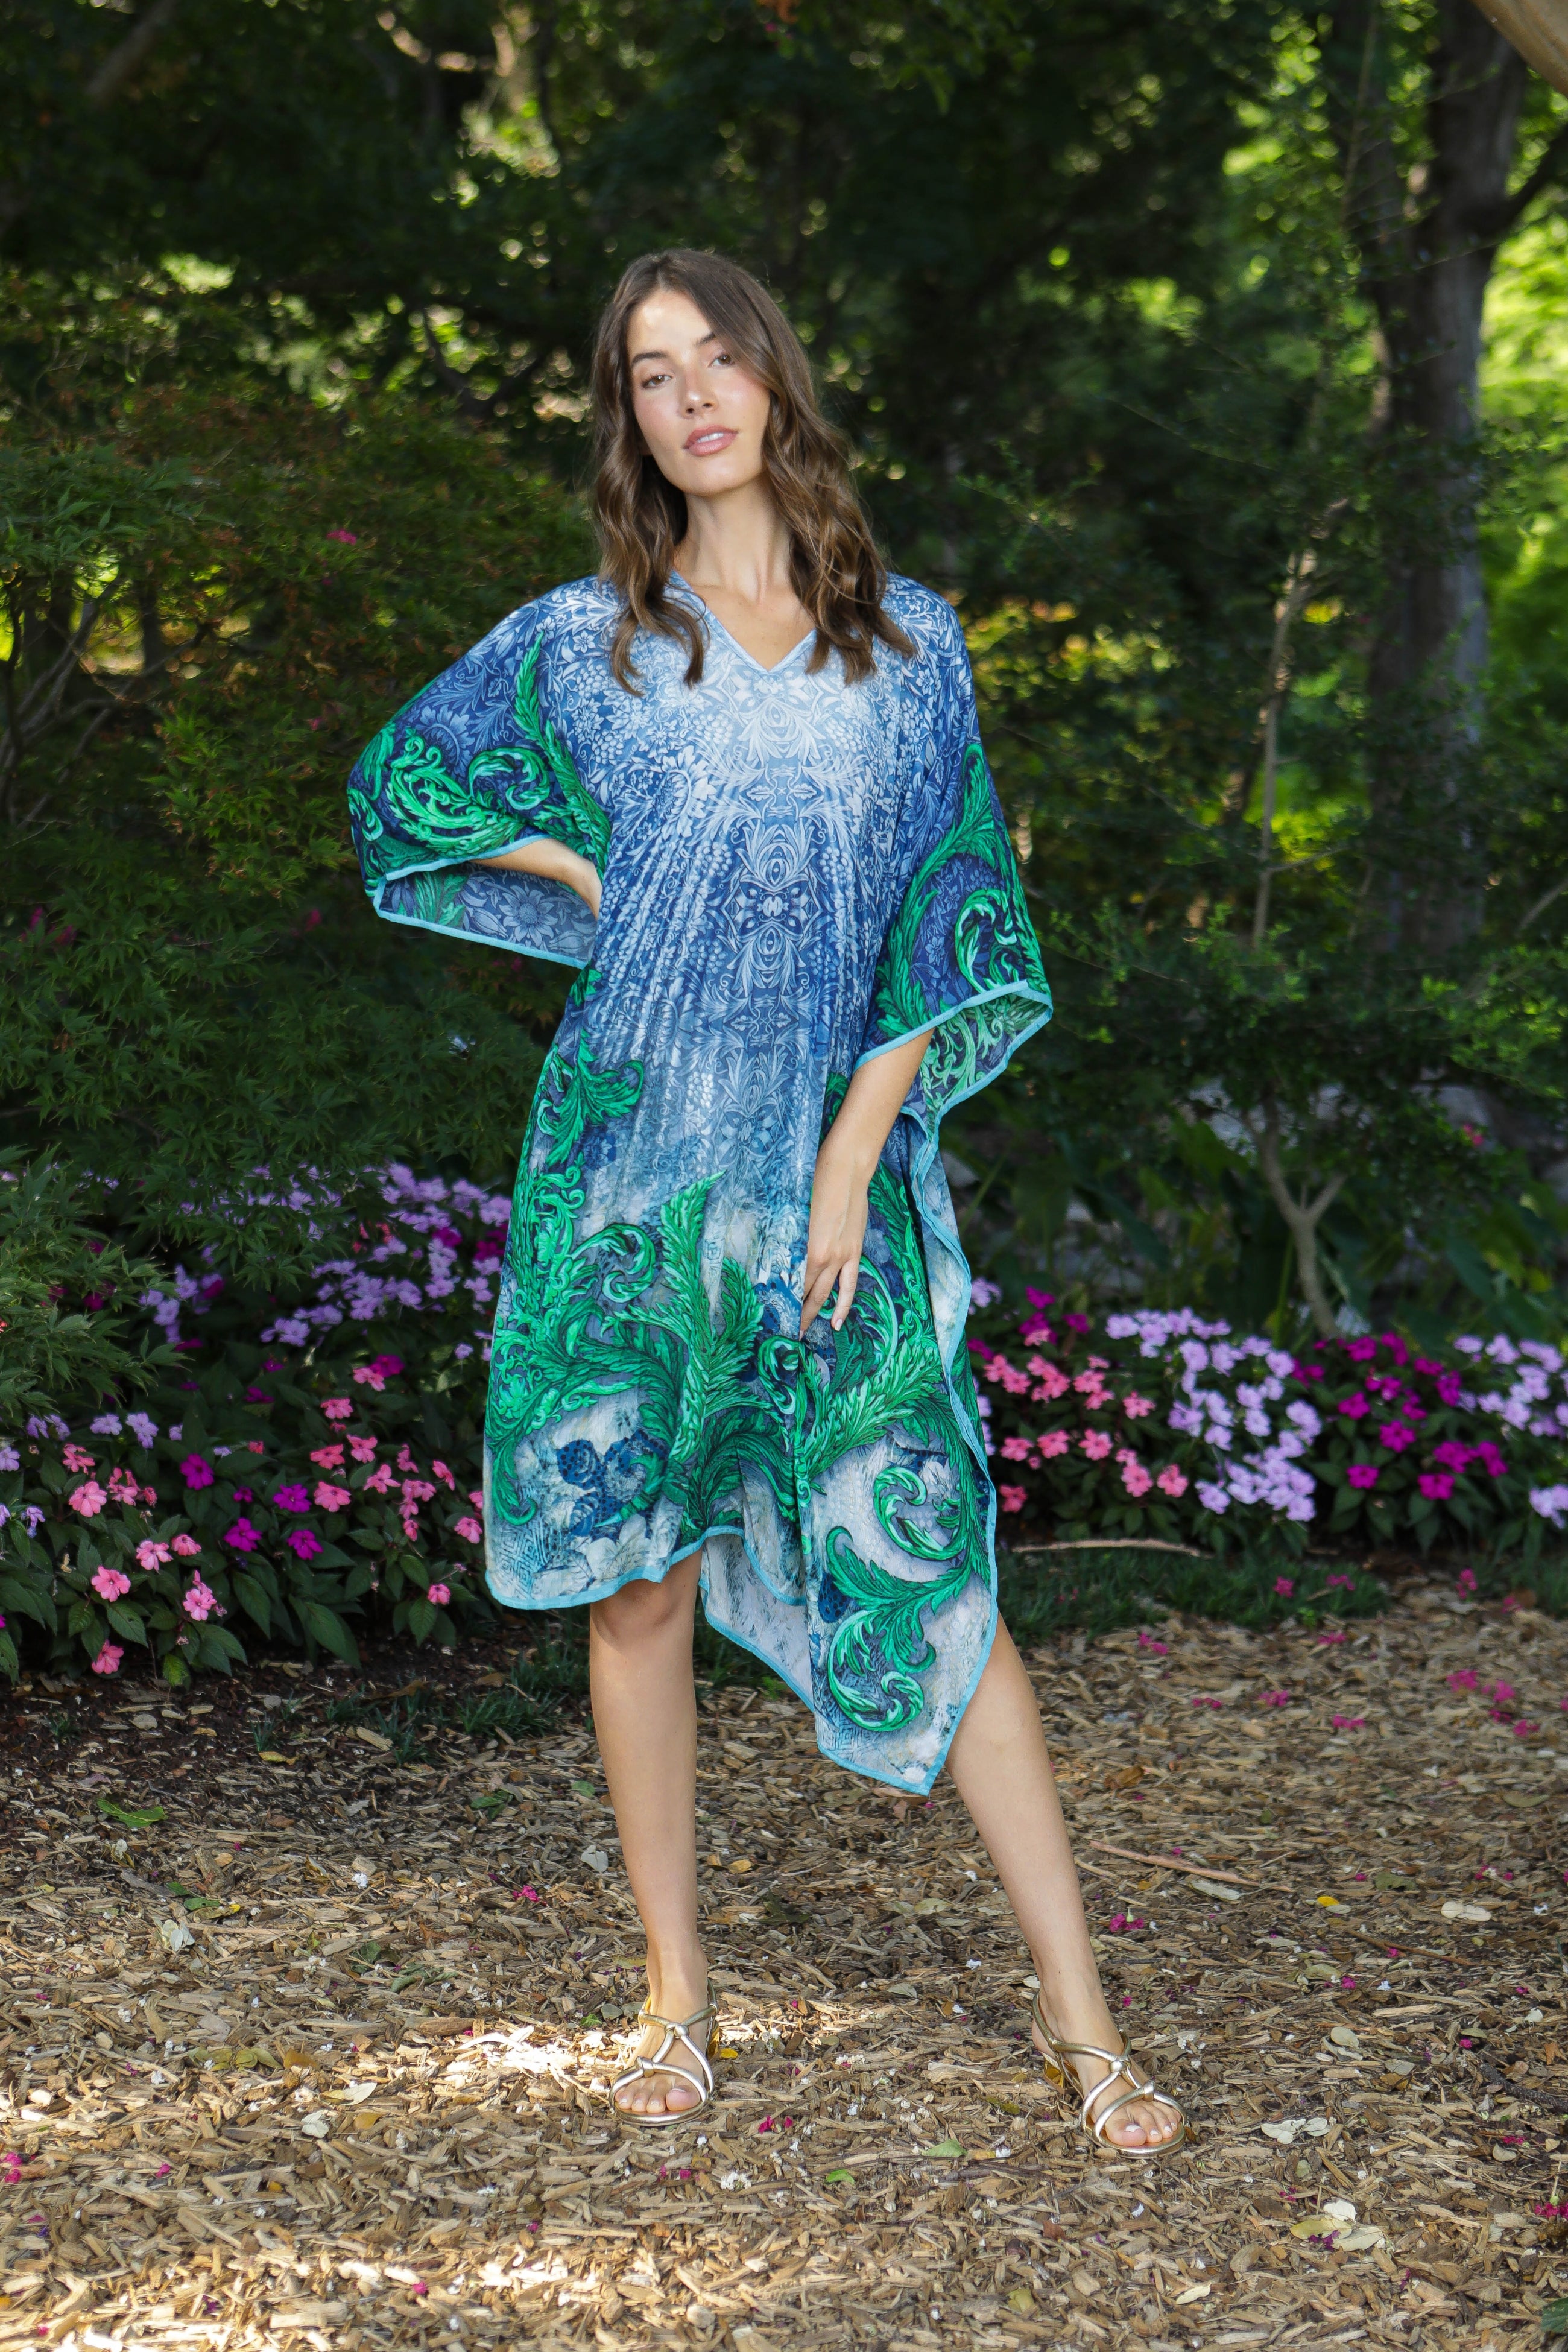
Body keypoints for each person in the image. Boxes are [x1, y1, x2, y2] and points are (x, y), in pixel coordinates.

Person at [347, 248, 1184, 2157]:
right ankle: (675, 1990)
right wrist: (583, 871)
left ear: (777, 377)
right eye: (652, 374)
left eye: (719, 356)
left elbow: (946, 924)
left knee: (931, 1559)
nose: (693, 395)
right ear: (629, 420)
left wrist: (853, 1161)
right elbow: (404, 782)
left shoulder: (913, 647)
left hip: (832, 1190)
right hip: (631, 1178)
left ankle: (1083, 2017)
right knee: (637, 1574)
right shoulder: (590, 642)